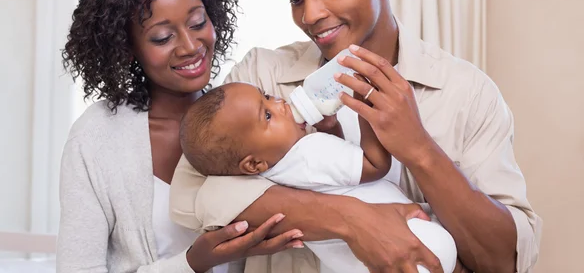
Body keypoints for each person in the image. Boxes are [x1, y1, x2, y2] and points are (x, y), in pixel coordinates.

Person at [170, 0, 542, 273]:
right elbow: (193, 200)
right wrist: (352, 220)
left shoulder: (466, 94)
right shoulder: (261, 77)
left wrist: (420, 150)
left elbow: (503, 260)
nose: (309, 15)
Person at [57, 0, 305, 273]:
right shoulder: (96, 139)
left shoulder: (248, 120)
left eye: (198, 22)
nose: (190, 46)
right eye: (162, 37)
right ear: (127, 47)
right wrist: (192, 263)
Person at [180, 81, 459, 273]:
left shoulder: (268, 181)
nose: (279, 103)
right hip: (419, 249)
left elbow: (332, 179)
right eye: (267, 115)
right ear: (253, 163)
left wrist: (331, 129)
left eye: (266, 95)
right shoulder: (307, 150)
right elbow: (374, 166)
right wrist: (366, 110)